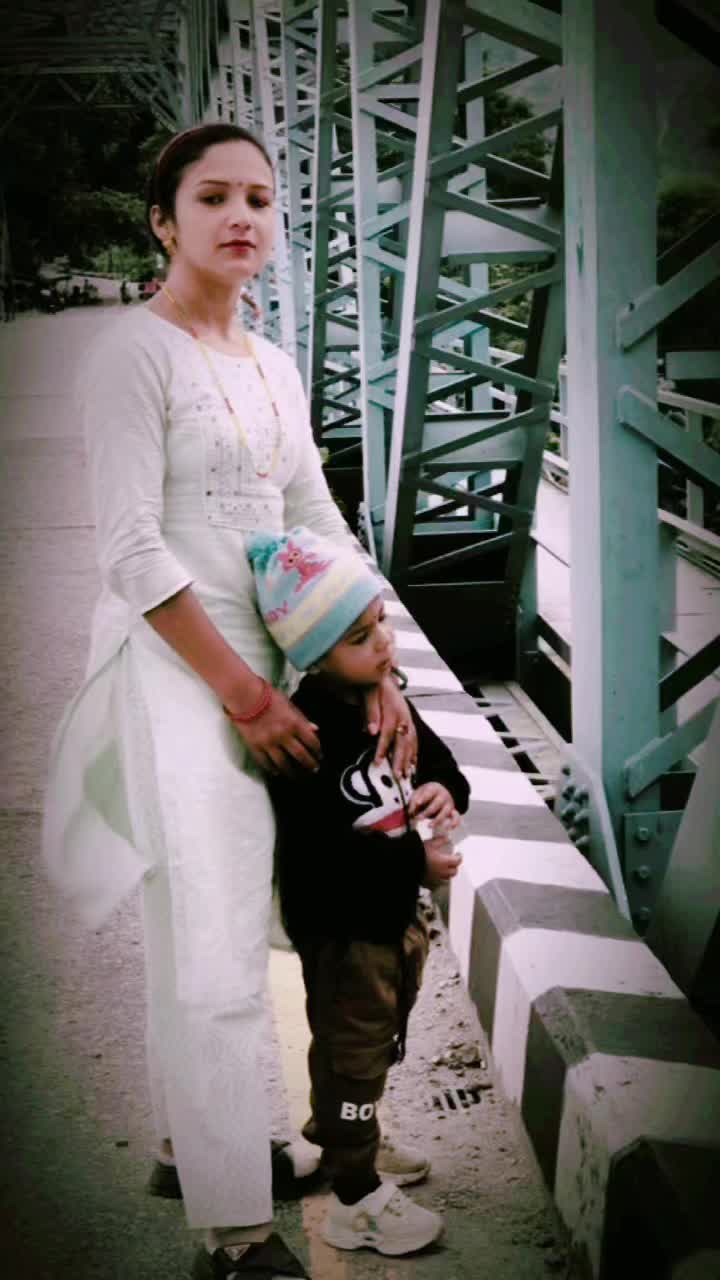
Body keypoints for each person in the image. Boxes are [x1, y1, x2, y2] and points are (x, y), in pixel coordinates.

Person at [41, 122, 417, 1280]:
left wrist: (382, 663)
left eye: (259, 196)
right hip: (181, 672)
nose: (242, 215)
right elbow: (130, 548)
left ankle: (188, 1145)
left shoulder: (271, 364)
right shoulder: (132, 355)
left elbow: (314, 519)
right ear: (164, 221)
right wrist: (244, 693)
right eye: (214, 197)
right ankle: (236, 1233)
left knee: (228, 919)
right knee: (209, 941)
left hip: (273, 673)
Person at [247, 526, 471, 1257]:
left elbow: (442, 765)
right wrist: (415, 863)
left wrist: (441, 790)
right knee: (354, 1055)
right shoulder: (309, 734)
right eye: (359, 638)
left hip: (392, 920)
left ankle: (350, 1135)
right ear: (316, 653)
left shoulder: (385, 703)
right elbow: (321, 855)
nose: (383, 644)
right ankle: (354, 1196)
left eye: (381, 623)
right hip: (344, 931)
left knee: (377, 1041)